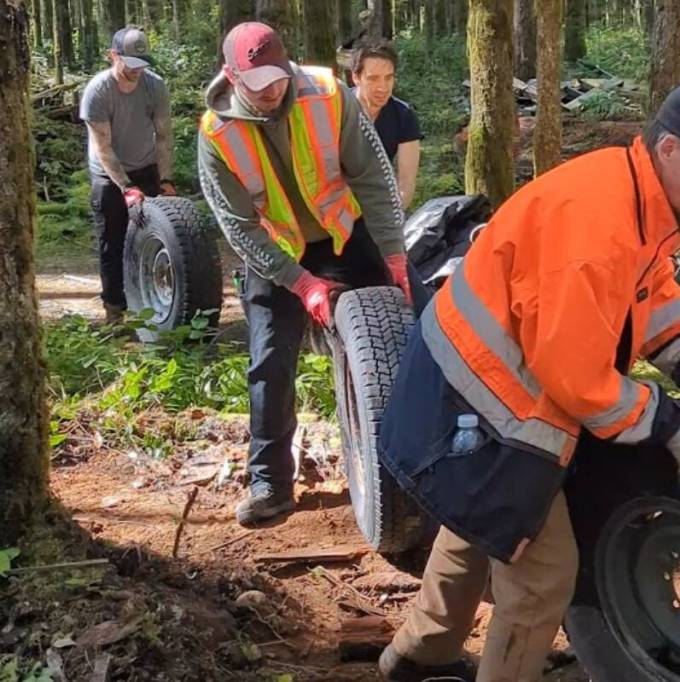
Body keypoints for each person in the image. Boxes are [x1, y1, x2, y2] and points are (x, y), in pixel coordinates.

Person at [377, 81, 680, 682]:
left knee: (477, 524)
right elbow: (575, 379)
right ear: (669, 150)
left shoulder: (637, 196)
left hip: (473, 375)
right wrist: (669, 421)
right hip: (475, 396)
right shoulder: (595, 229)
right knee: (542, 574)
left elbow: (652, 288)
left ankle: (416, 656)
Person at [197, 22, 413, 526]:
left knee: (400, 332)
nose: (271, 90)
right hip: (274, 250)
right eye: (257, 83)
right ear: (232, 77)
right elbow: (238, 227)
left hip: (342, 229)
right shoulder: (216, 133)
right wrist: (301, 284)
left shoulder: (328, 94)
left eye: (277, 77)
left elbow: (372, 178)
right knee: (270, 362)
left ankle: (410, 469)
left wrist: (395, 255)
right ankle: (270, 481)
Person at [81, 26, 174, 324]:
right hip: (108, 175)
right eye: (130, 65)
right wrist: (126, 187)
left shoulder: (155, 86)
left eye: (142, 65)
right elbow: (103, 147)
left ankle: (153, 304)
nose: (136, 72)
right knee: (113, 242)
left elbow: (163, 136)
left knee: (156, 237)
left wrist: (166, 179)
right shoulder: (98, 92)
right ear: (113, 56)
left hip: (146, 167)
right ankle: (115, 312)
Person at [350, 39, 423, 209]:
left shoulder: (403, 115)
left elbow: (406, 181)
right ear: (356, 77)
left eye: (388, 78)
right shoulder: (337, 110)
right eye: (373, 79)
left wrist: (392, 216)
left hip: (379, 201)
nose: (382, 87)